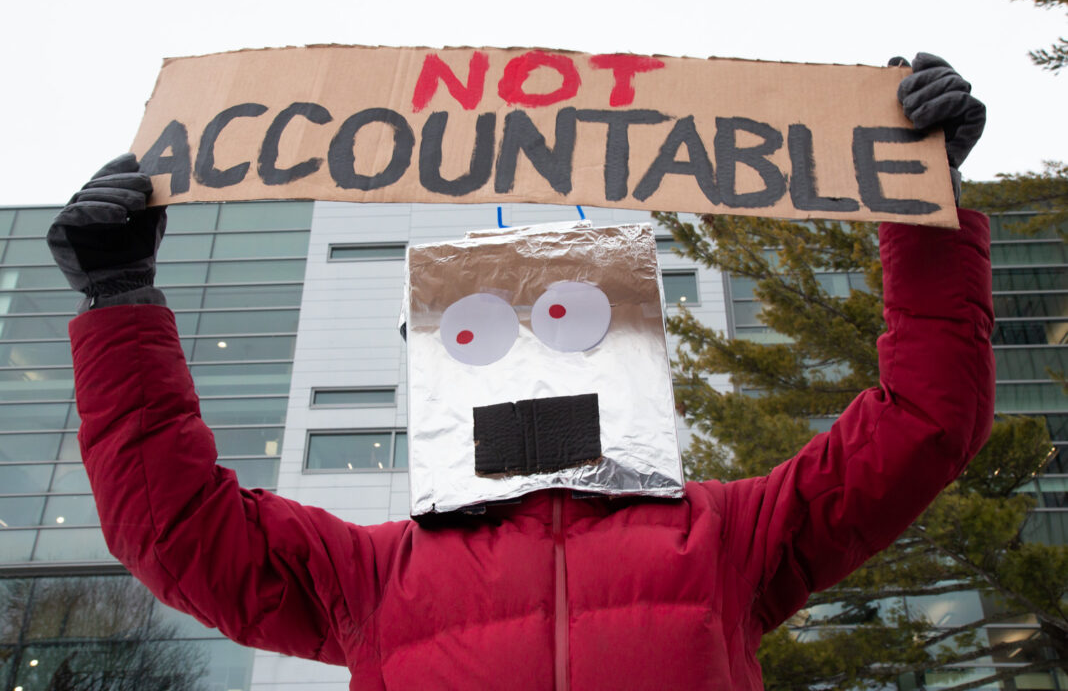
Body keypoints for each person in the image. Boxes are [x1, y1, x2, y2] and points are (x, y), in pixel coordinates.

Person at [49, 54, 992, 690]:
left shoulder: (727, 539)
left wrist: (922, 202)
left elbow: (922, 423)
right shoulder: (374, 578)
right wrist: (118, 297)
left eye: (572, 325)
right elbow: (177, 531)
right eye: (480, 337)